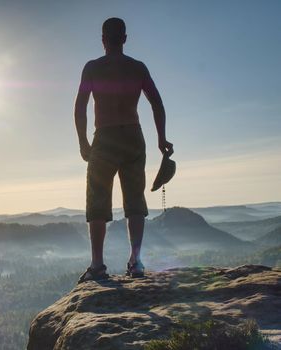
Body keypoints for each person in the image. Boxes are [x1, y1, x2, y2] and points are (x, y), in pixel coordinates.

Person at [74, 17, 173, 282]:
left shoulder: (92, 68)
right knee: (135, 199)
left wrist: (83, 142)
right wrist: (161, 139)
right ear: (125, 39)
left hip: (104, 137)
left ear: (103, 39)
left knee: (97, 200)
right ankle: (136, 262)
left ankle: (97, 265)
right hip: (132, 135)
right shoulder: (137, 68)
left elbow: (80, 106)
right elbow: (157, 104)